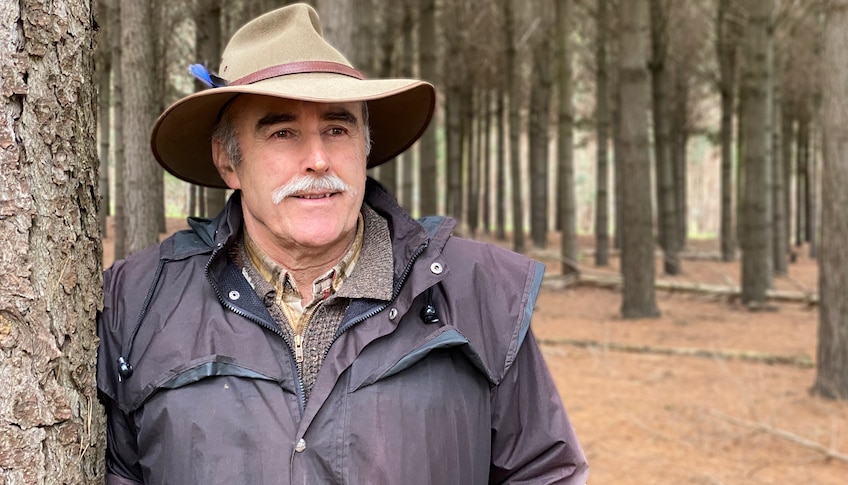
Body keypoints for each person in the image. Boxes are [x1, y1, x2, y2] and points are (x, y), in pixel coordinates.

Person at [97, 4, 588, 484]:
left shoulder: (477, 291)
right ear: (229, 162)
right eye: (283, 132)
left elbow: (543, 470)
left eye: (337, 129)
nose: (317, 159)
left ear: (364, 146)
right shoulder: (140, 300)